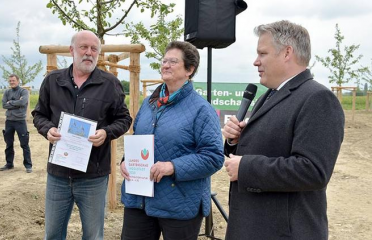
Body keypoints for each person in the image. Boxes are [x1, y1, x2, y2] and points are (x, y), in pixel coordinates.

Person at [222, 20, 345, 240]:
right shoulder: (268, 96)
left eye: (262, 53)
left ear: (287, 52)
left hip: (283, 232)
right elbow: (269, 146)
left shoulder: (317, 98)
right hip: (254, 226)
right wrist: (235, 141)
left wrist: (247, 167)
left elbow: (313, 171)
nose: (255, 62)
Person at [32, 30, 132, 240]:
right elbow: (39, 114)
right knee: (52, 234)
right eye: (83, 47)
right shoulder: (52, 81)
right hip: (58, 174)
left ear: (98, 53)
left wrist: (106, 132)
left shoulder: (109, 84)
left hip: (93, 176)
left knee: (93, 235)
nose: (89, 53)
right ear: (72, 51)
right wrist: (47, 129)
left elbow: (124, 119)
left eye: (94, 49)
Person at [120, 41, 224, 240]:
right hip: (139, 199)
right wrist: (126, 160)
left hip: (179, 203)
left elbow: (213, 157)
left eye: (173, 62)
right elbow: (138, 138)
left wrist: (173, 167)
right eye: (164, 60)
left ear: (190, 70)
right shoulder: (149, 103)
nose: (165, 65)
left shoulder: (201, 110)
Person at [0, 74, 32, 173]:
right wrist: (16, 103)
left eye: (13, 80)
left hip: (20, 121)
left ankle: (28, 165)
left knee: (24, 144)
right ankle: (9, 164)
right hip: (9, 121)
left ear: (18, 81)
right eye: (10, 81)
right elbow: (4, 105)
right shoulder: (7, 92)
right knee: (8, 144)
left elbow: (23, 103)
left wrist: (11, 103)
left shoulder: (24, 91)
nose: (11, 82)